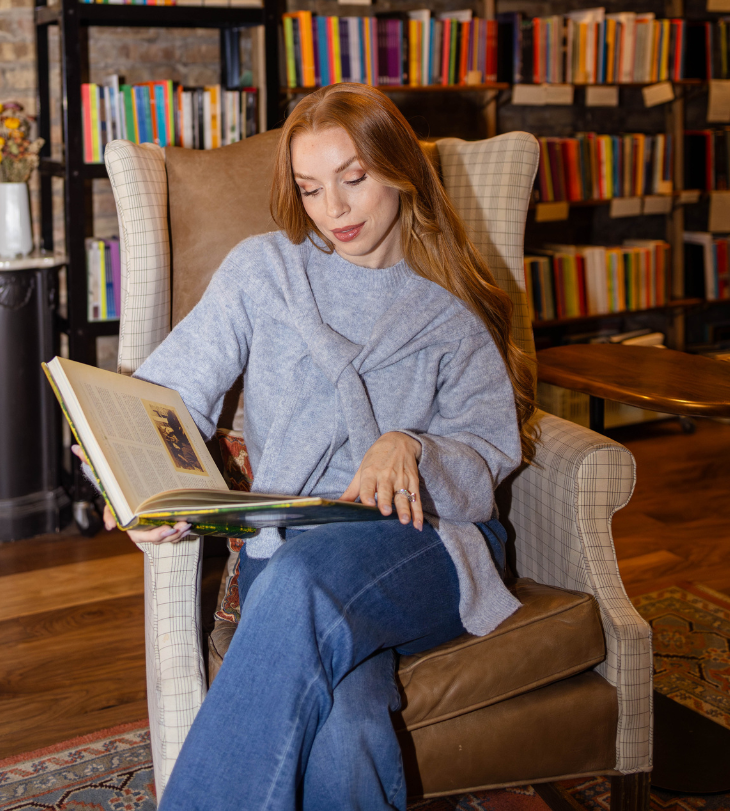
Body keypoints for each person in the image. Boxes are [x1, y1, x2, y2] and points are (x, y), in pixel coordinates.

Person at [91, 83, 537, 811]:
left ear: (398, 169)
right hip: (294, 545)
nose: (334, 210)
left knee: (303, 581)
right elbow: (166, 393)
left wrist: (413, 447)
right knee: (348, 726)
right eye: (311, 188)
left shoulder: (451, 309)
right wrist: (128, 474)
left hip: (429, 542)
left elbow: (487, 458)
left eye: (353, 180)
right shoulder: (264, 271)